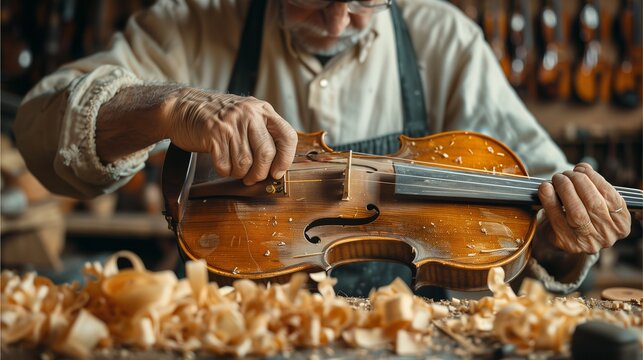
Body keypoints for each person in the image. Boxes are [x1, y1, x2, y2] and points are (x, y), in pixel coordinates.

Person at [14, 0, 631, 297]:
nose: (336, 20)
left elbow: (544, 197)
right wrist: (173, 108)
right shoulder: (194, 23)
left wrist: (560, 228)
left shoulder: (445, 39)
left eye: (362, 2)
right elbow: (42, 126)